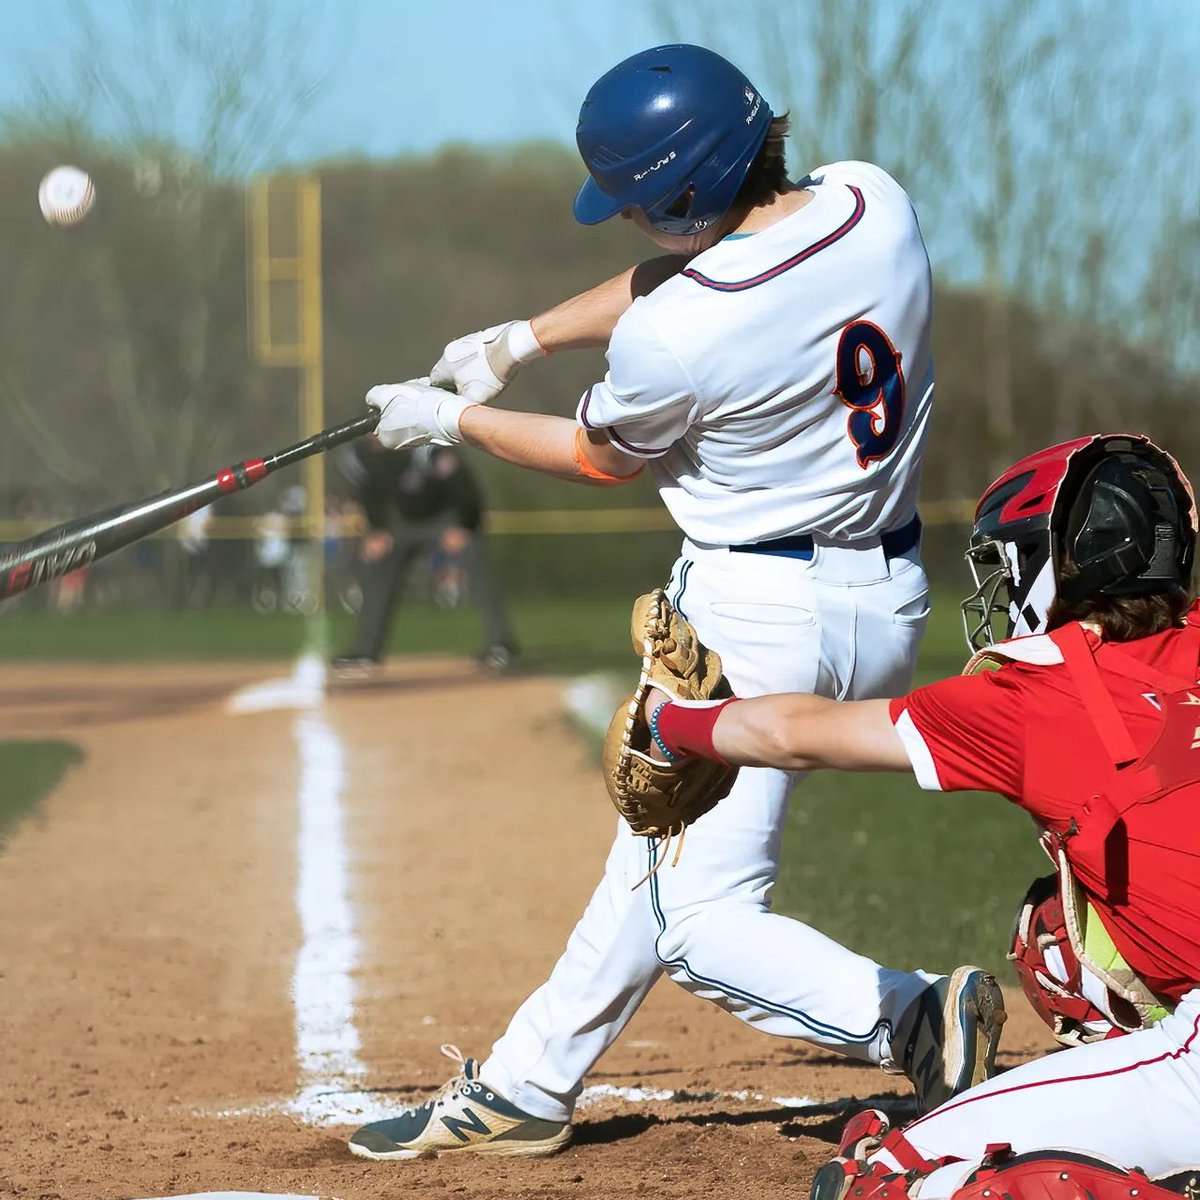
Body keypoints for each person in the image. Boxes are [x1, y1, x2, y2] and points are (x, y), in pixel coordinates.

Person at [349, 43, 1005, 1162]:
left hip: (755, 617)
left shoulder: (677, 337)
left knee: (694, 920)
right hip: (891, 598)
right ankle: (527, 1086)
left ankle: (907, 1013)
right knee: (653, 858)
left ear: (683, 202)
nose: (635, 228)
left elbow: (598, 451)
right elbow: (709, 267)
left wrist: (447, 419)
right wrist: (525, 338)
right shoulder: (871, 200)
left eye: (646, 208)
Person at [639, 433, 1200, 1198]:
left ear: (1060, 563)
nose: (1006, 585)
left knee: (886, 1176)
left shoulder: (1034, 696)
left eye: (1016, 561)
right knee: (1056, 935)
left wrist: (671, 725)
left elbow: (793, 734)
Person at [330, 435, 517, 675]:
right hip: (404, 523)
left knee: (474, 561)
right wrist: (377, 529)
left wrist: (463, 525)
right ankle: (365, 652)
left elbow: (465, 487)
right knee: (378, 567)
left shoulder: (427, 449)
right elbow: (369, 494)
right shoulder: (363, 456)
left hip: (445, 518)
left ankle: (501, 645)